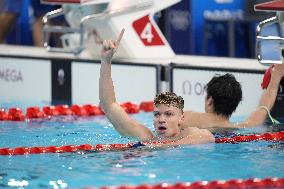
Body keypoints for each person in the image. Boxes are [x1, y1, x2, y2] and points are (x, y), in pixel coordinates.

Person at [99, 29, 215, 146]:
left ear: (181, 118)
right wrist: (105, 61)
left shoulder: (189, 134)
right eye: (157, 114)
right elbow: (109, 106)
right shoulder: (146, 137)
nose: (161, 119)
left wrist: (161, 146)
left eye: (169, 114)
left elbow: (207, 136)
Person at [182, 65, 284, 131]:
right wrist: (276, 77)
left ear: (210, 100)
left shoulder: (187, 118)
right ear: (236, 103)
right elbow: (264, 108)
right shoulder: (245, 126)